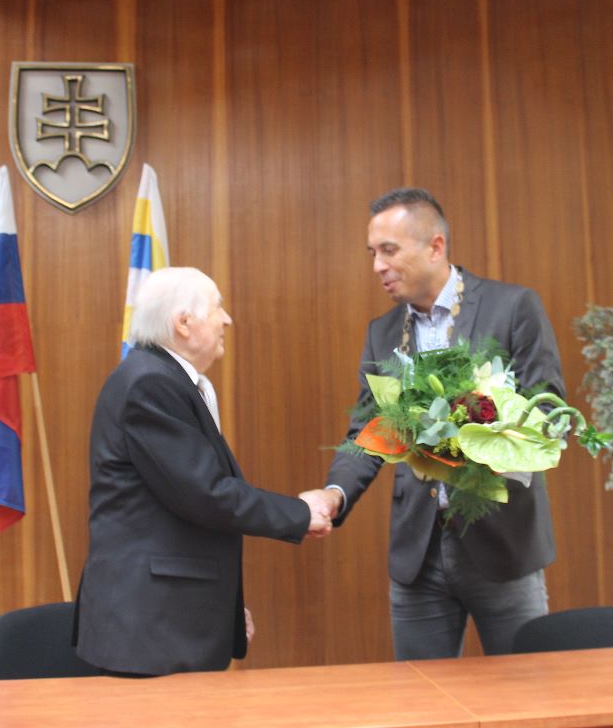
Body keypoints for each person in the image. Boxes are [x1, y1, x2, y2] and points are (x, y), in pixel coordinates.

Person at [303, 188, 565, 661]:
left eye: (389, 250)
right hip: (418, 555)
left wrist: (478, 439)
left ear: (435, 247)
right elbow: (369, 429)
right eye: (372, 253)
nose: (378, 266)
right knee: (419, 695)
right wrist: (333, 494)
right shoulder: (382, 332)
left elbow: (548, 414)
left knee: (525, 692)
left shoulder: (512, 307)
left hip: (504, 546)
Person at [75, 267, 332, 676]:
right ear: (183, 323)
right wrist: (299, 513)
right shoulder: (150, 384)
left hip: (166, 617)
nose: (227, 319)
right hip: (151, 628)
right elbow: (204, 493)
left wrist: (224, 605)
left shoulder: (161, 377)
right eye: (217, 308)